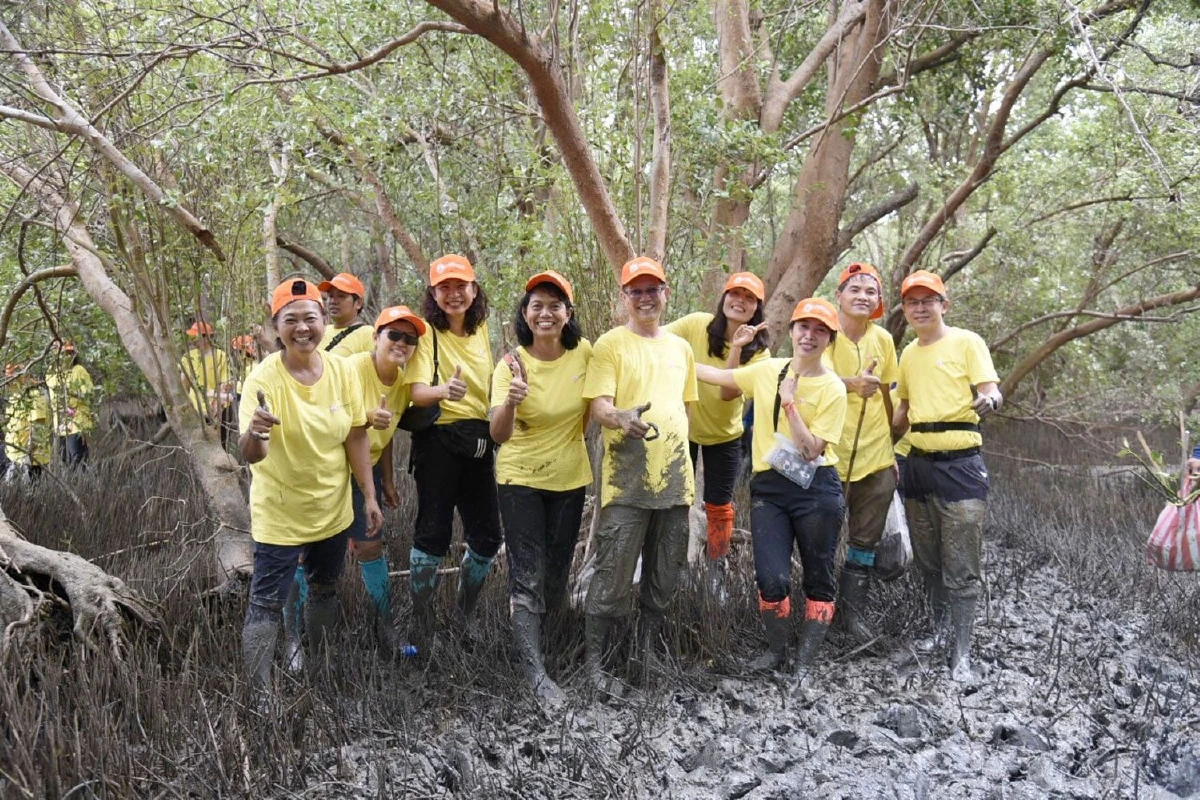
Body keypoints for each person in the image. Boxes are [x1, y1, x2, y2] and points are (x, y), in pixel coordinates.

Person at [238, 278, 382, 693]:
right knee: (265, 601)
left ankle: (317, 664)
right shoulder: (262, 380)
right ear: (275, 327)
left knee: (325, 587)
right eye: (291, 320)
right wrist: (256, 432)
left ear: (324, 320)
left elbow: (356, 434)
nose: (302, 328)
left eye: (310, 318)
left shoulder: (340, 370)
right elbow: (250, 454)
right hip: (280, 511)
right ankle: (261, 692)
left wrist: (368, 497)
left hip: (333, 509)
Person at [695, 299, 847, 677]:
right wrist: (664, 354)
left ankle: (805, 662)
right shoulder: (767, 370)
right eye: (803, 328)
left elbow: (812, 450)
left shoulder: (833, 388)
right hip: (770, 490)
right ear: (792, 331)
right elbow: (718, 378)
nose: (809, 336)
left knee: (818, 576)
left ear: (829, 339)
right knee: (772, 576)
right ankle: (777, 652)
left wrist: (790, 404)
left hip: (817, 490)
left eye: (819, 331)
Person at [582, 256, 697, 695]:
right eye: (637, 291)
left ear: (666, 294)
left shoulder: (680, 348)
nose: (646, 298)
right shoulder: (610, 344)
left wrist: (691, 477)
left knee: (664, 577)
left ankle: (644, 655)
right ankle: (595, 664)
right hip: (626, 480)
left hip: (674, 483)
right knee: (612, 574)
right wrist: (620, 418)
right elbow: (599, 407)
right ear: (624, 297)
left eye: (653, 290)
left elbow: (685, 412)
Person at [285, 306, 423, 661]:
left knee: (371, 547)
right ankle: (294, 639)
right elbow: (332, 417)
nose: (401, 343)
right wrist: (363, 418)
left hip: (368, 470)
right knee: (304, 555)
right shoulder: (349, 368)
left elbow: (386, 432)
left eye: (410, 338)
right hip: (327, 469)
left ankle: (385, 630)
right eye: (393, 334)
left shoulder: (404, 383)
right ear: (375, 336)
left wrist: (387, 481)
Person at [893, 269, 1002, 684]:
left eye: (928, 300)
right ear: (905, 309)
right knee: (929, 561)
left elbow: (990, 388)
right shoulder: (907, 354)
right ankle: (938, 633)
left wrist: (990, 399)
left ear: (944, 304)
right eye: (913, 302)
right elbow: (901, 414)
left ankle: (962, 653)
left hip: (961, 465)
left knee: (961, 565)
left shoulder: (967, 342)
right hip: (917, 464)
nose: (921, 308)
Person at [490, 270, 591, 705]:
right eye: (537, 306)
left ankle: (550, 650)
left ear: (568, 314)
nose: (546, 313)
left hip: (570, 478)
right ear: (525, 315)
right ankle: (533, 673)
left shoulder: (585, 353)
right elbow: (497, 435)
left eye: (555, 305)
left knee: (557, 572)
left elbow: (593, 409)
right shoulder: (510, 364)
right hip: (520, 479)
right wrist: (512, 401)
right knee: (527, 576)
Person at [404, 254, 501, 648]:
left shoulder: (482, 330)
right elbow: (416, 393)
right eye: (444, 288)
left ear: (474, 289)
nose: (453, 294)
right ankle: (422, 625)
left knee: (488, 537)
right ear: (433, 294)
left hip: (478, 441)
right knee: (432, 537)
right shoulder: (426, 332)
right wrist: (445, 390)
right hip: (439, 442)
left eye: (460, 286)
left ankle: (464, 616)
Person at [665, 272, 770, 601]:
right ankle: (676, 564)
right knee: (676, 501)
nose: (739, 301)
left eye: (748, 297)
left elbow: (728, 393)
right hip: (684, 429)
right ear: (723, 298)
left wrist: (737, 348)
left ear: (756, 309)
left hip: (725, 435)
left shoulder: (760, 354)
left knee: (719, 505)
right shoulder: (696, 324)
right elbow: (656, 341)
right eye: (734, 293)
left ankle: (716, 569)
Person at [823, 263, 899, 643]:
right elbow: (801, 381)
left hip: (876, 457)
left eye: (871, 291)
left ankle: (853, 617)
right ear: (839, 295)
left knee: (864, 545)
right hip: (827, 457)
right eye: (855, 289)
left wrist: (895, 451)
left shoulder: (883, 340)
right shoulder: (820, 331)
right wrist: (849, 384)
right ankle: (816, 616)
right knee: (819, 539)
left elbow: (891, 398)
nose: (863, 296)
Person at [45, 340, 95, 468]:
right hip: (61, 424)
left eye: (68, 353)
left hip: (78, 422)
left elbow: (89, 394)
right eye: (62, 354)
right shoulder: (52, 373)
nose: (65, 357)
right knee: (64, 459)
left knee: (78, 458)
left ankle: (84, 485)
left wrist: (70, 391)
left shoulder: (78, 370)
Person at [181, 320, 233, 443]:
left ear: (207, 337)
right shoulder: (188, 357)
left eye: (196, 336)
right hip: (196, 409)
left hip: (219, 409)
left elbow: (225, 384)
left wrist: (216, 406)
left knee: (221, 444)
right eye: (192, 336)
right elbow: (183, 384)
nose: (193, 340)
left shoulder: (220, 356)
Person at [3, 364, 52, 482]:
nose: (9, 382)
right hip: (14, 456)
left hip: (30, 460)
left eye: (11, 378)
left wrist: (28, 458)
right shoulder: (16, 395)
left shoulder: (35, 395)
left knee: (29, 495)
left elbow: (37, 429)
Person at [318, 273, 374, 356]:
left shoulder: (368, 334)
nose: (333, 301)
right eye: (330, 296)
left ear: (358, 303)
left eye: (341, 296)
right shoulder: (321, 331)